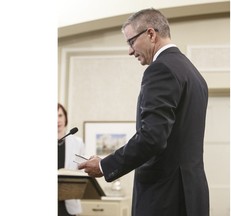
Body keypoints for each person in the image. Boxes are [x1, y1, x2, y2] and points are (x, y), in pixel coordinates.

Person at [78, 8, 209, 216]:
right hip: (192, 195)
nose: (130, 51)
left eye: (131, 42)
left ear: (150, 34)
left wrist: (104, 165)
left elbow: (152, 138)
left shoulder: (161, 69)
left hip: (164, 198)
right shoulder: (193, 73)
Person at [58, 103, 84, 216]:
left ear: (65, 118)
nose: (57, 120)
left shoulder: (77, 143)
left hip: (69, 201)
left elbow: (82, 171)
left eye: (60, 115)